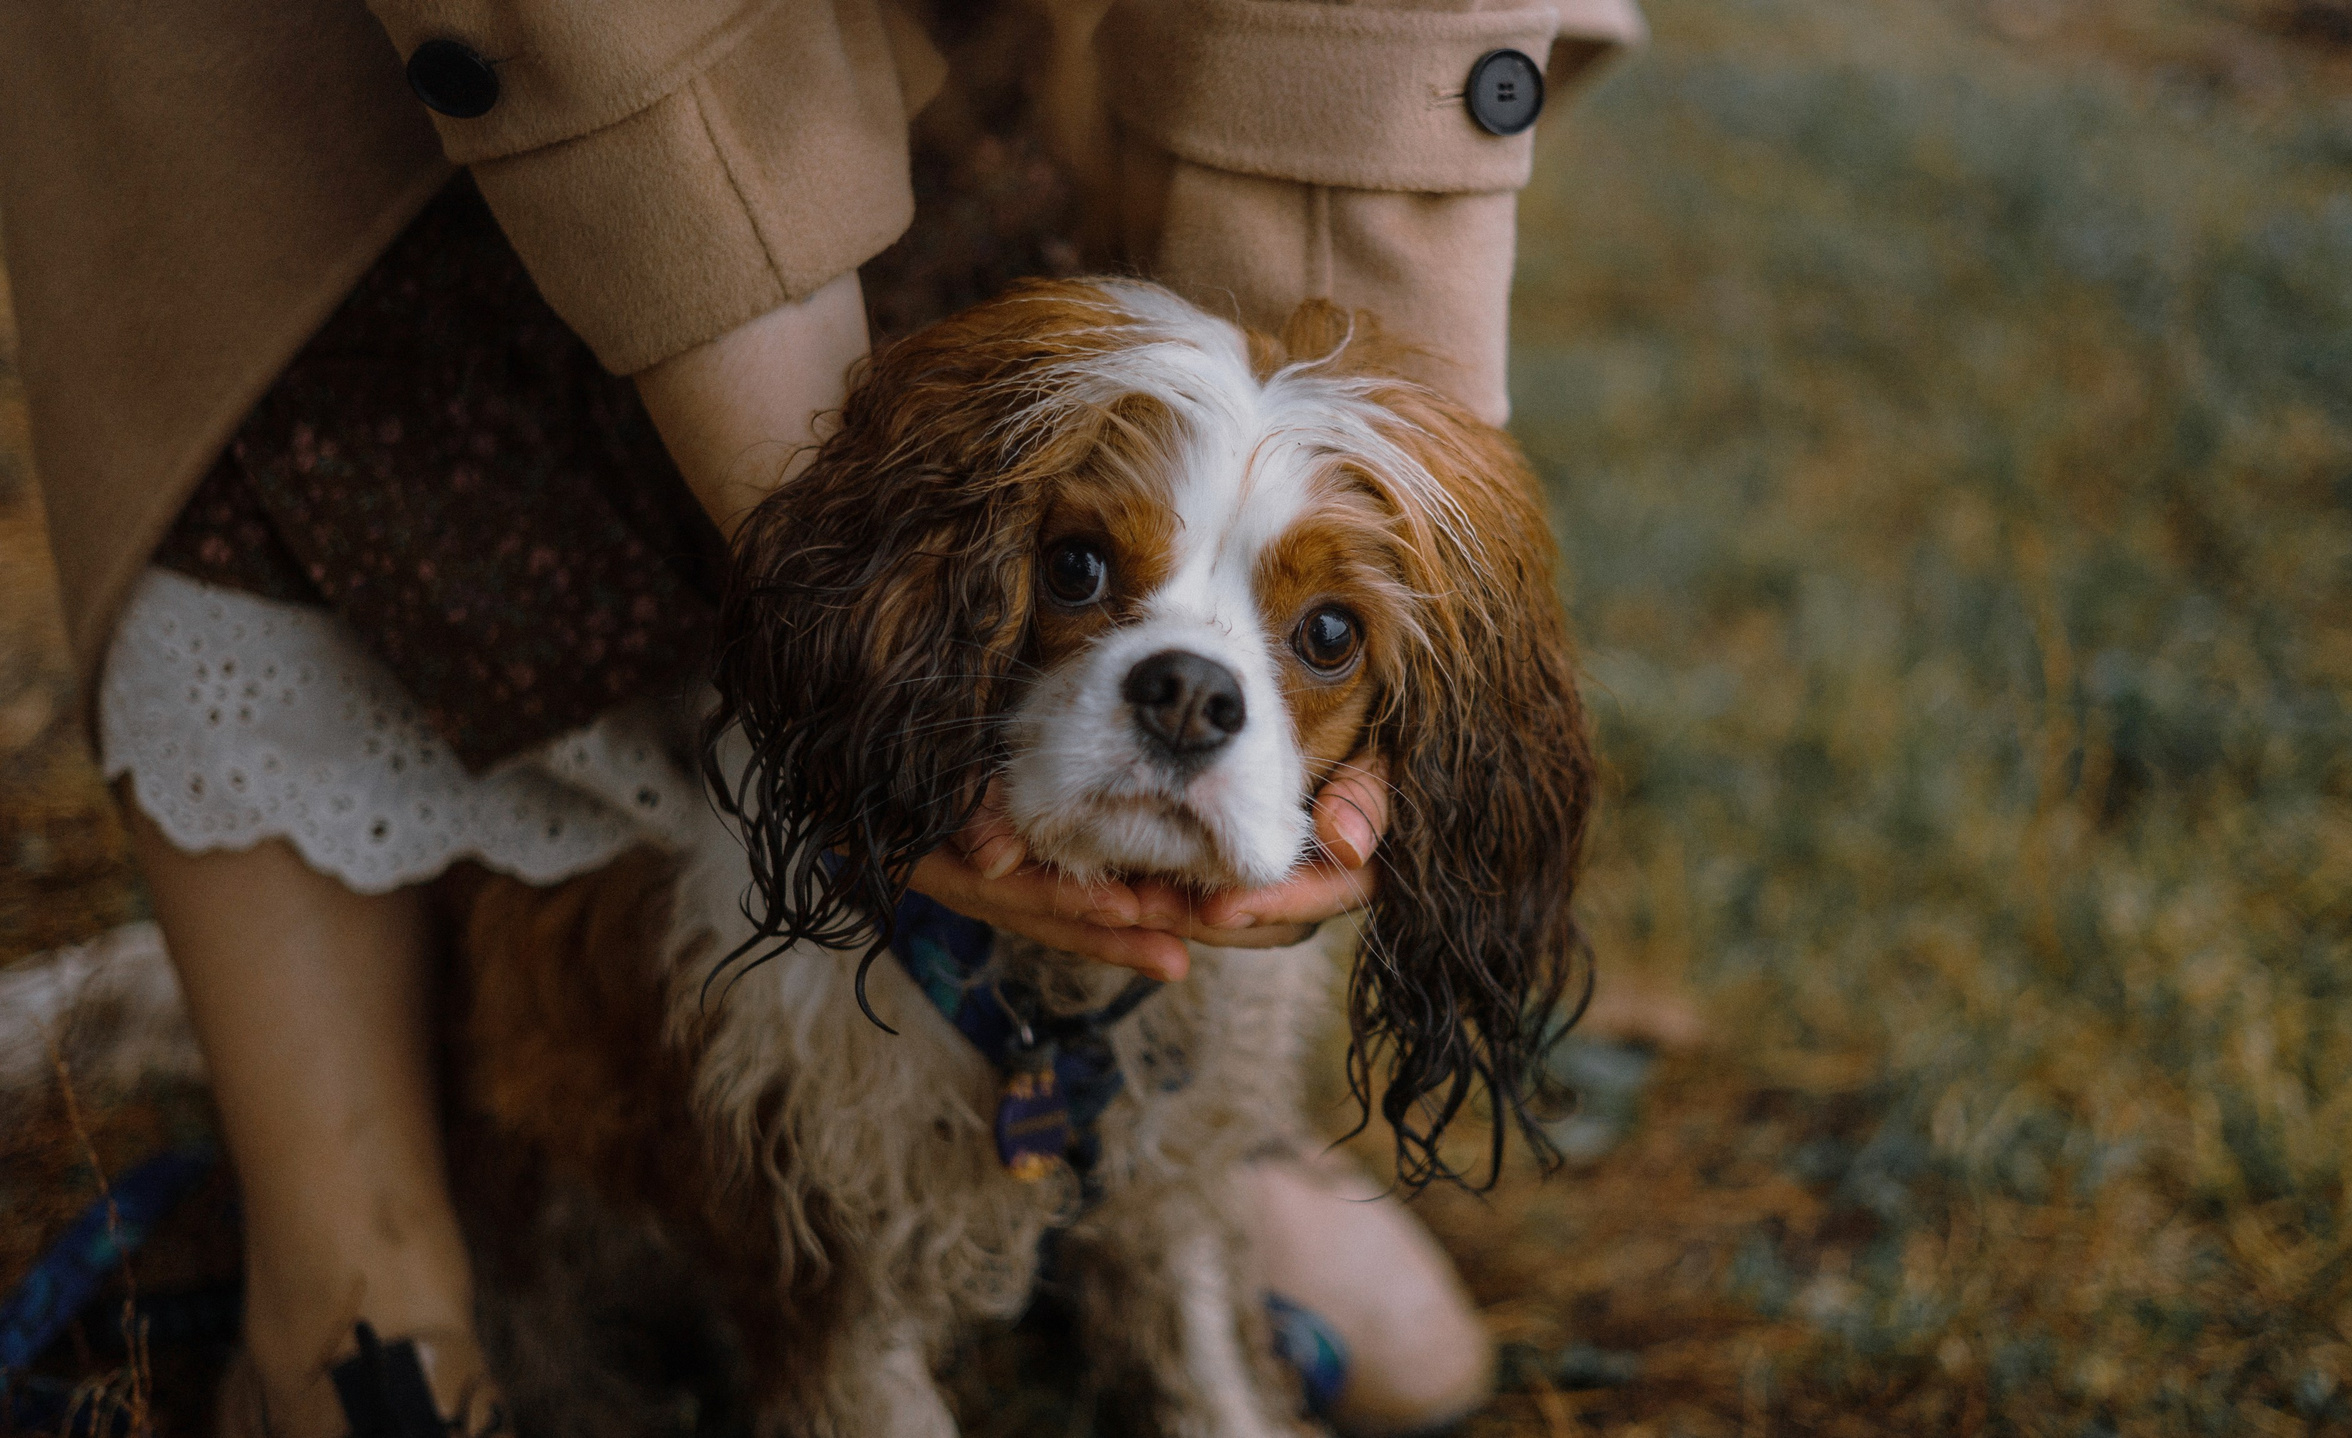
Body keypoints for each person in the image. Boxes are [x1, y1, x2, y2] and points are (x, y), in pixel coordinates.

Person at [0, 0, 1643, 1433]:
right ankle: (347, 1262)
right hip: (376, 121)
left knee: (1410, 1349)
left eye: (1330, 634)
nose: (1196, 681)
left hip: (912, 99)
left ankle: (1138, 1170)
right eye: (1081, 571)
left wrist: (1352, 345)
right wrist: (833, 621)